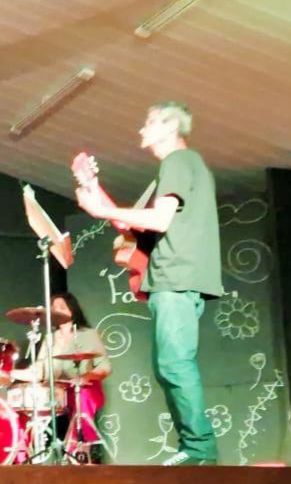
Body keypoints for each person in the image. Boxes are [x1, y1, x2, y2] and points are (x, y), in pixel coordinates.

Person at [75, 101, 223, 466]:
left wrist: (101, 210)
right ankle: (194, 448)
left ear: (169, 126)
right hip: (173, 279)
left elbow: (158, 220)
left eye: (147, 124)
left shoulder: (178, 162)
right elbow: (131, 225)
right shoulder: (183, 167)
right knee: (169, 366)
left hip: (177, 277)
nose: (141, 131)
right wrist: (94, 188)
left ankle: (200, 450)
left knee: (174, 364)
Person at [13, 292, 110, 455]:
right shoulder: (50, 338)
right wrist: (11, 373)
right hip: (56, 391)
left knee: (82, 397)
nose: (57, 310)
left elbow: (104, 368)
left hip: (84, 388)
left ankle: (78, 452)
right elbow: (40, 371)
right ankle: (21, 455)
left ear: (72, 310)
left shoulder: (88, 334)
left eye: (62, 307)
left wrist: (85, 377)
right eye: (54, 308)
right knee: (21, 401)